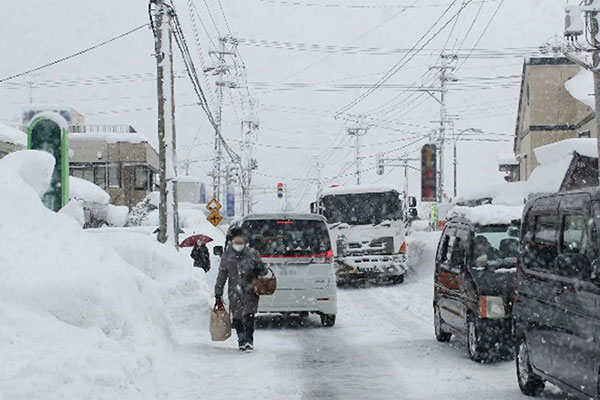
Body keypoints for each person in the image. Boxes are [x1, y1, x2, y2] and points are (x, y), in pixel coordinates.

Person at [214, 227, 267, 351]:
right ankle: (241, 340)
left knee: (249, 315)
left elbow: (263, 272)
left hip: (250, 290)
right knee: (237, 317)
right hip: (234, 291)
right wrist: (218, 292)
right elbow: (222, 275)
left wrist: (260, 267)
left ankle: (249, 340)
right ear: (231, 241)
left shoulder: (252, 254)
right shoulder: (227, 255)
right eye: (236, 242)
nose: (238, 244)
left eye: (240, 241)